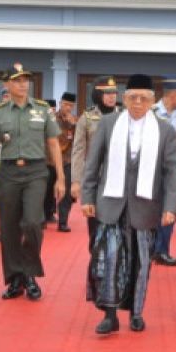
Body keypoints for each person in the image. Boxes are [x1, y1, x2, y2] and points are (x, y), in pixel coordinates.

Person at [81, 74, 176, 334]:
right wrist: (87, 197)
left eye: (143, 98)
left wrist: (171, 206)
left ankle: (136, 313)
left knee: (141, 261)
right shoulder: (108, 123)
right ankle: (110, 314)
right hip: (110, 204)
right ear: (124, 99)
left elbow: (171, 172)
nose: (138, 102)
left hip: (146, 205)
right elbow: (93, 163)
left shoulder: (164, 130)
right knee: (109, 258)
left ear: (151, 101)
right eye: (133, 97)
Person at [0, 63, 64, 300]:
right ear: (6, 84)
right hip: (8, 172)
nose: (22, 84)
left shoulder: (42, 109)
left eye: (25, 79)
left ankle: (30, 273)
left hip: (36, 172)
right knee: (8, 228)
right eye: (17, 80)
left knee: (32, 223)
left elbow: (53, 144)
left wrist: (61, 177)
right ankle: (15, 278)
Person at [71, 76, 119, 251]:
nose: (111, 97)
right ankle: (96, 266)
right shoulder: (87, 118)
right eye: (106, 93)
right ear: (98, 94)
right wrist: (76, 181)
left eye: (114, 92)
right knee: (95, 225)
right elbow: (78, 151)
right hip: (95, 180)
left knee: (117, 226)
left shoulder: (123, 116)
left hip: (117, 179)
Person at [151, 75, 176, 266]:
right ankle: (149, 247)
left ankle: (162, 250)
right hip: (151, 169)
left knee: (171, 207)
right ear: (173, 95)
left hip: (175, 168)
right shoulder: (151, 113)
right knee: (149, 208)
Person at [55, 92, 78, 232]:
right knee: (45, 191)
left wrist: (74, 125)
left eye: (71, 105)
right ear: (60, 103)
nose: (68, 107)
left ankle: (63, 221)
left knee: (67, 192)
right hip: (50, 160)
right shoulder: (51, 118)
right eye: (65, 104)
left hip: (68, 160)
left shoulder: (75, 120)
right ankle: (45, 215)